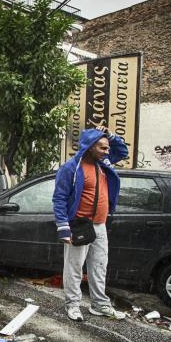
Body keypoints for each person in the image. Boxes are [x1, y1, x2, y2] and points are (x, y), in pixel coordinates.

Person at [52, 127, 128, 321]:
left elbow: (122, 151)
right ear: (90, 146)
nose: (107, 151)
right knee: (74, 268)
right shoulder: (71, 168)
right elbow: (59, 198)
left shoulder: (103, 163)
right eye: (102, 147)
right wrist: (63, 228)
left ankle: (99, 305)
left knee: (99, 266)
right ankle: (73, 305)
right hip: (79, 225)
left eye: (107, 148)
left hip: (100, 225)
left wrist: (110, 135)